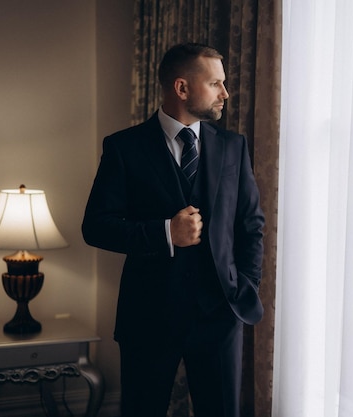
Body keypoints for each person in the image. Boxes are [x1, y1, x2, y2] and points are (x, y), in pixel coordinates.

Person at [82, 42, 265, 417]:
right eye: (215, 84)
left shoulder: (233, 147)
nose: (225, 93)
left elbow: (251, 224)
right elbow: (96, 227)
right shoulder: (124, 148)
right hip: (149, 316)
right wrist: (166, 232)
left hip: (219, 315)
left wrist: (243, 284)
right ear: (182, 88)